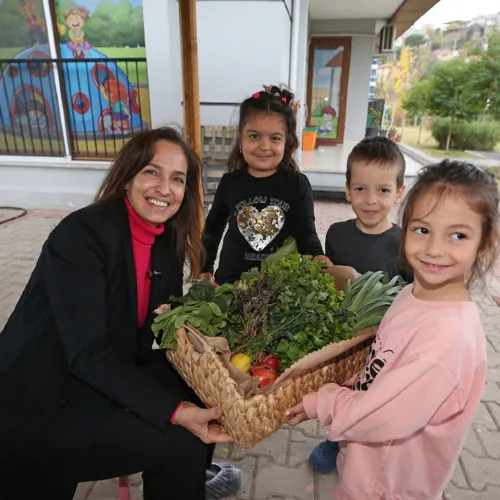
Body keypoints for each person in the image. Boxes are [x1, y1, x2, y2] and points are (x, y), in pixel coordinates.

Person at [0, 127, 237, 500]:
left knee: (207, 396)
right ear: (127, 175)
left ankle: (188, 479)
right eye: (151, 172)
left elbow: (157, 330)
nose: (164, 188)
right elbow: (87, 354)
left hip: (106, 372)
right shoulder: (81, 235)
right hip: (45, 399)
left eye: (178, 179)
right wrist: (173, 411)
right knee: (183, 440)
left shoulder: (166, 242)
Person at [286, 160, 499, 500]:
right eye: (422, 229)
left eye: (458, 235)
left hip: (389, 486)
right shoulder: (411, 294)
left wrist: (322, 401)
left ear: (485, 244)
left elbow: (383, 415)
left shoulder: (449, 339)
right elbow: (384, 361)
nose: (434, 248)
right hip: (366, 467)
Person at [309, 136, 413, 475]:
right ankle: (336, 438)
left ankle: (370, 447)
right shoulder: (336, 233)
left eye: (383, 191)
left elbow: (410, 297)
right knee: (342, 389)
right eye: (361, 189)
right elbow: (333, 283)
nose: (371, 200)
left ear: (398, 193)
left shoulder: (404, 245)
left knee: (375, 396)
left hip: (385, 342)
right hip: (342, 336)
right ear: (347, 190)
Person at [201, 84, 326, 285]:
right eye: (254, 136)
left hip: (279, 286)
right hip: (230, 283)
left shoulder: (297, 184)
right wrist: (204, 267)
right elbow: (212, 230)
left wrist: (318, 257)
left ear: (287, 143)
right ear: (241, 138)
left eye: (275, 138)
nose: (264, 146)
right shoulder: (230, 183)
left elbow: (306, 233)